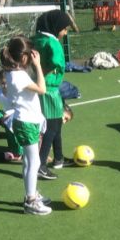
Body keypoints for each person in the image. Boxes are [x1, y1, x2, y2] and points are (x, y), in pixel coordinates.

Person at [0, 35, 51, 215]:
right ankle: (30, 201)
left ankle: (32, 194)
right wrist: (38, 66)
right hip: (27, 122)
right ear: (24, 58)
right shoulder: (19, 76)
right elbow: (42, 89)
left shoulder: (11, 73)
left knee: (29, 161)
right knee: (33, 161)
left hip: (26, 121)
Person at [31, 10, 74, 180]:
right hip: (49, 89)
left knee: (56, 123)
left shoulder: (37, 38)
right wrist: (42, 73)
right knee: (52, 126)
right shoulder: (52, 42)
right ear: (57, 27)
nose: (66, 32)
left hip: (44, 87)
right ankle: (41, 164)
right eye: (65, 29)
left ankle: (59, 158)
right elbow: (56, 62)